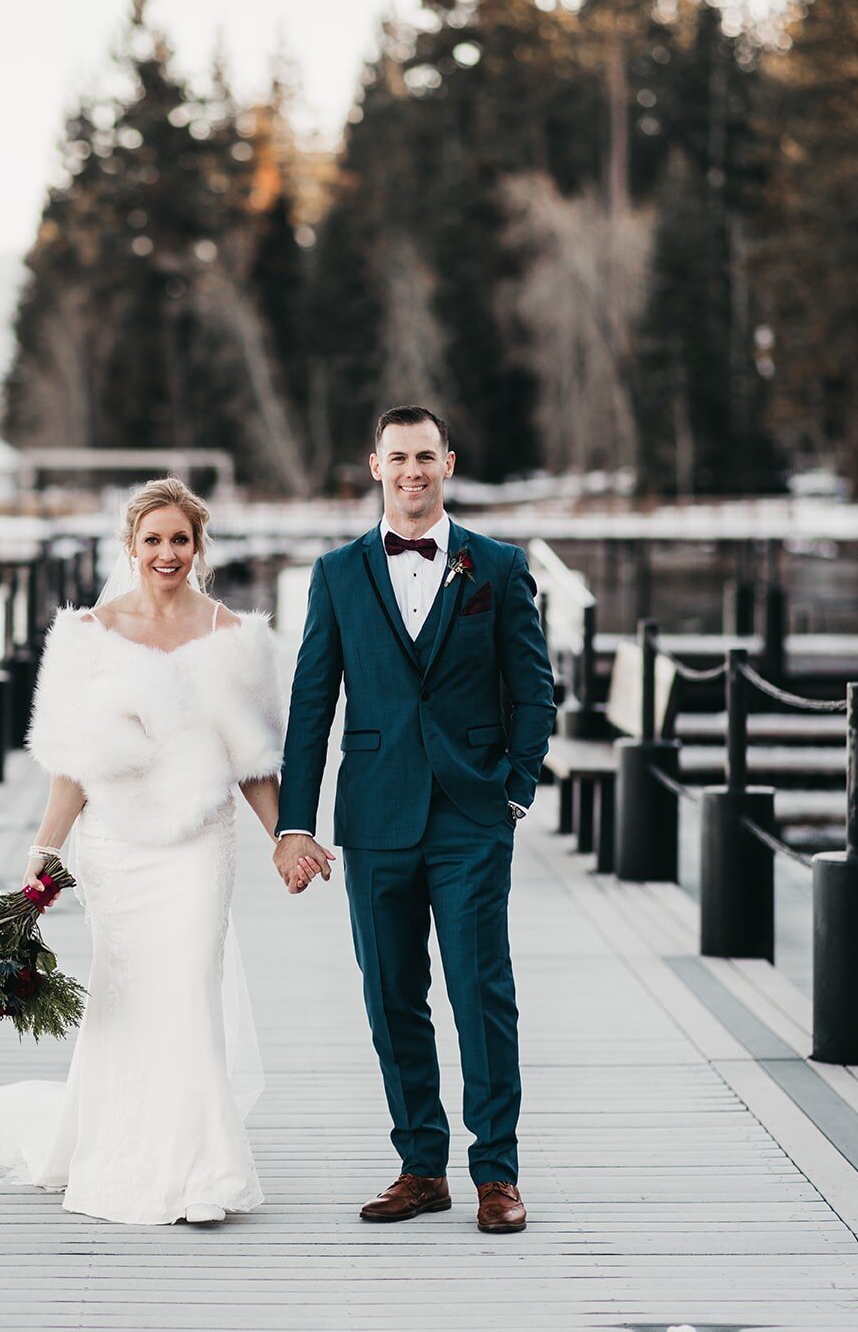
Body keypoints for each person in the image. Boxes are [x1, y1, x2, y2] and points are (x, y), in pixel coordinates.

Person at [0, 476, 292, 1226]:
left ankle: (203, 1173)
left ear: (199, 546)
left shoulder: (235, 635)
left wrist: (286, 839)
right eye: (153, 539)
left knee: (191, 984)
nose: (167, 553)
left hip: (199, 841)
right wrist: (44, 846)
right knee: (127, 997)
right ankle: (116, 1146)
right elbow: (71, 764)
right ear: (130, 547)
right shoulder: (86, 636)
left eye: (180, 539)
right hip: (116, 847)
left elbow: (255, 759)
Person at [274, 406, 556, 1234]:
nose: (412, 472)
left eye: (425, 457)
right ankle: (420, 1166)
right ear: (374, 465)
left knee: (481, 993)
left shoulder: (498, 568)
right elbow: (310, 707)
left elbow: (534, 689)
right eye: (397, 457)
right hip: (375, 819)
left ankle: (496, 1174)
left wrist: (516, 790)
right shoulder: (336, 574)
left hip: (473, 815)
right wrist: (296, 822)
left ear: (449, 463)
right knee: (392, 995)